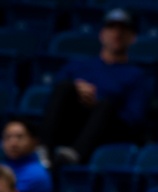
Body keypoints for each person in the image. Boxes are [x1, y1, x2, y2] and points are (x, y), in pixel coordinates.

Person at [40, 7, 149, 166]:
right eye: (111, 28)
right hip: (73, 124)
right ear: (102, 34)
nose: (116, 34)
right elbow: (53, 101)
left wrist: (95, 104)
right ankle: (44, 151)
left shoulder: (137, 76)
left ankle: (73, 156)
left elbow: (134, 119)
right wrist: (77, 91)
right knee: (65, 86)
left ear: (132, 38)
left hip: (105, 132)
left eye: (123, 29)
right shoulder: (78, 67)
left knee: (105, 105)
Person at [2, 119, 52, 192]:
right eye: (7, 137)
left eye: (19, 137)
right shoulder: (4, 166)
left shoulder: (37, 175)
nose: (13, 143)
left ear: (34, 141)